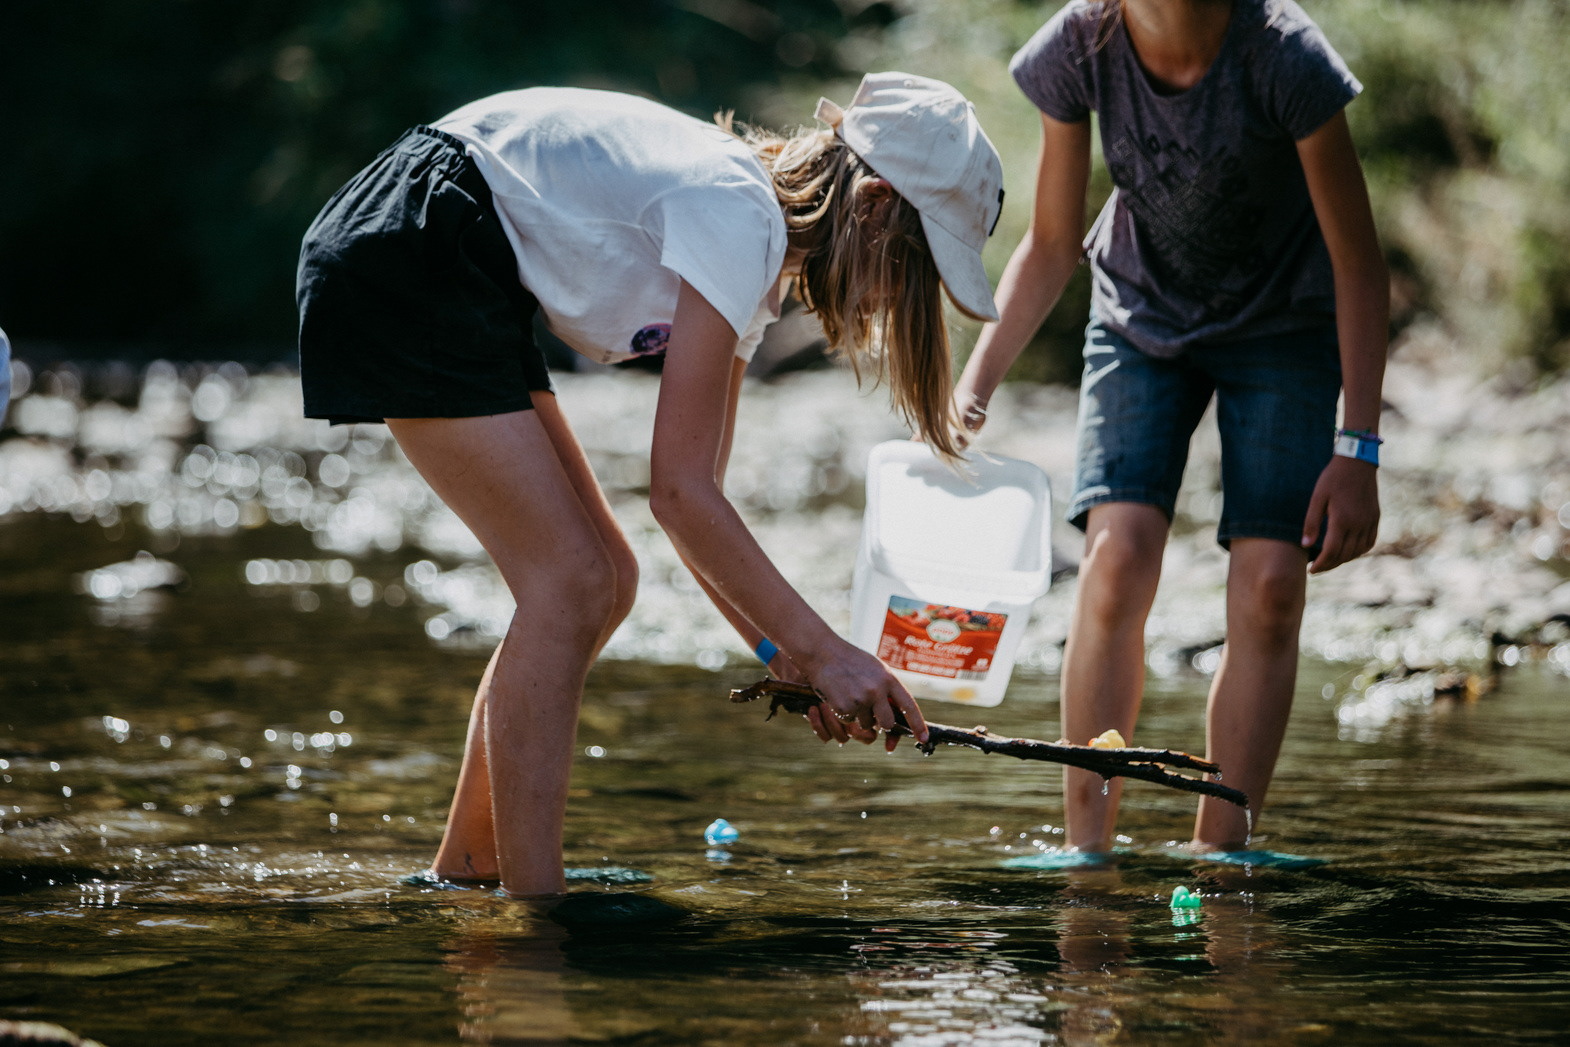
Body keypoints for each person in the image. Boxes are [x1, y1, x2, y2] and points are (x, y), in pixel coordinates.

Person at [296, 72, 1006, 897]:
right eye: (915, 268)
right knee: (570, 580)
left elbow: (702, 502)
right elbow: (677, 493)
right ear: (876, 206)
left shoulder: (756, 270)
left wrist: (786, 655)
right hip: (420, 232)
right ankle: (532, 920)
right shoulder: (739, 214)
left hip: (465, 260)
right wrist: (827, 651)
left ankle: (469, 875)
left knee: (609, 577)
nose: (895, 299)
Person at [951, 0, 1387, 858]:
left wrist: (1359, 447)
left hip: (1284, 332)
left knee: (1271, 586)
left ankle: (1223, 858)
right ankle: (1087, 857)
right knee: (1116, 561)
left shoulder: (1284, 54)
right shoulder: (1082, 44)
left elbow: (1358, 262)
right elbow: (1051, 241)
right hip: (1139, 321)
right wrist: (973, 385)